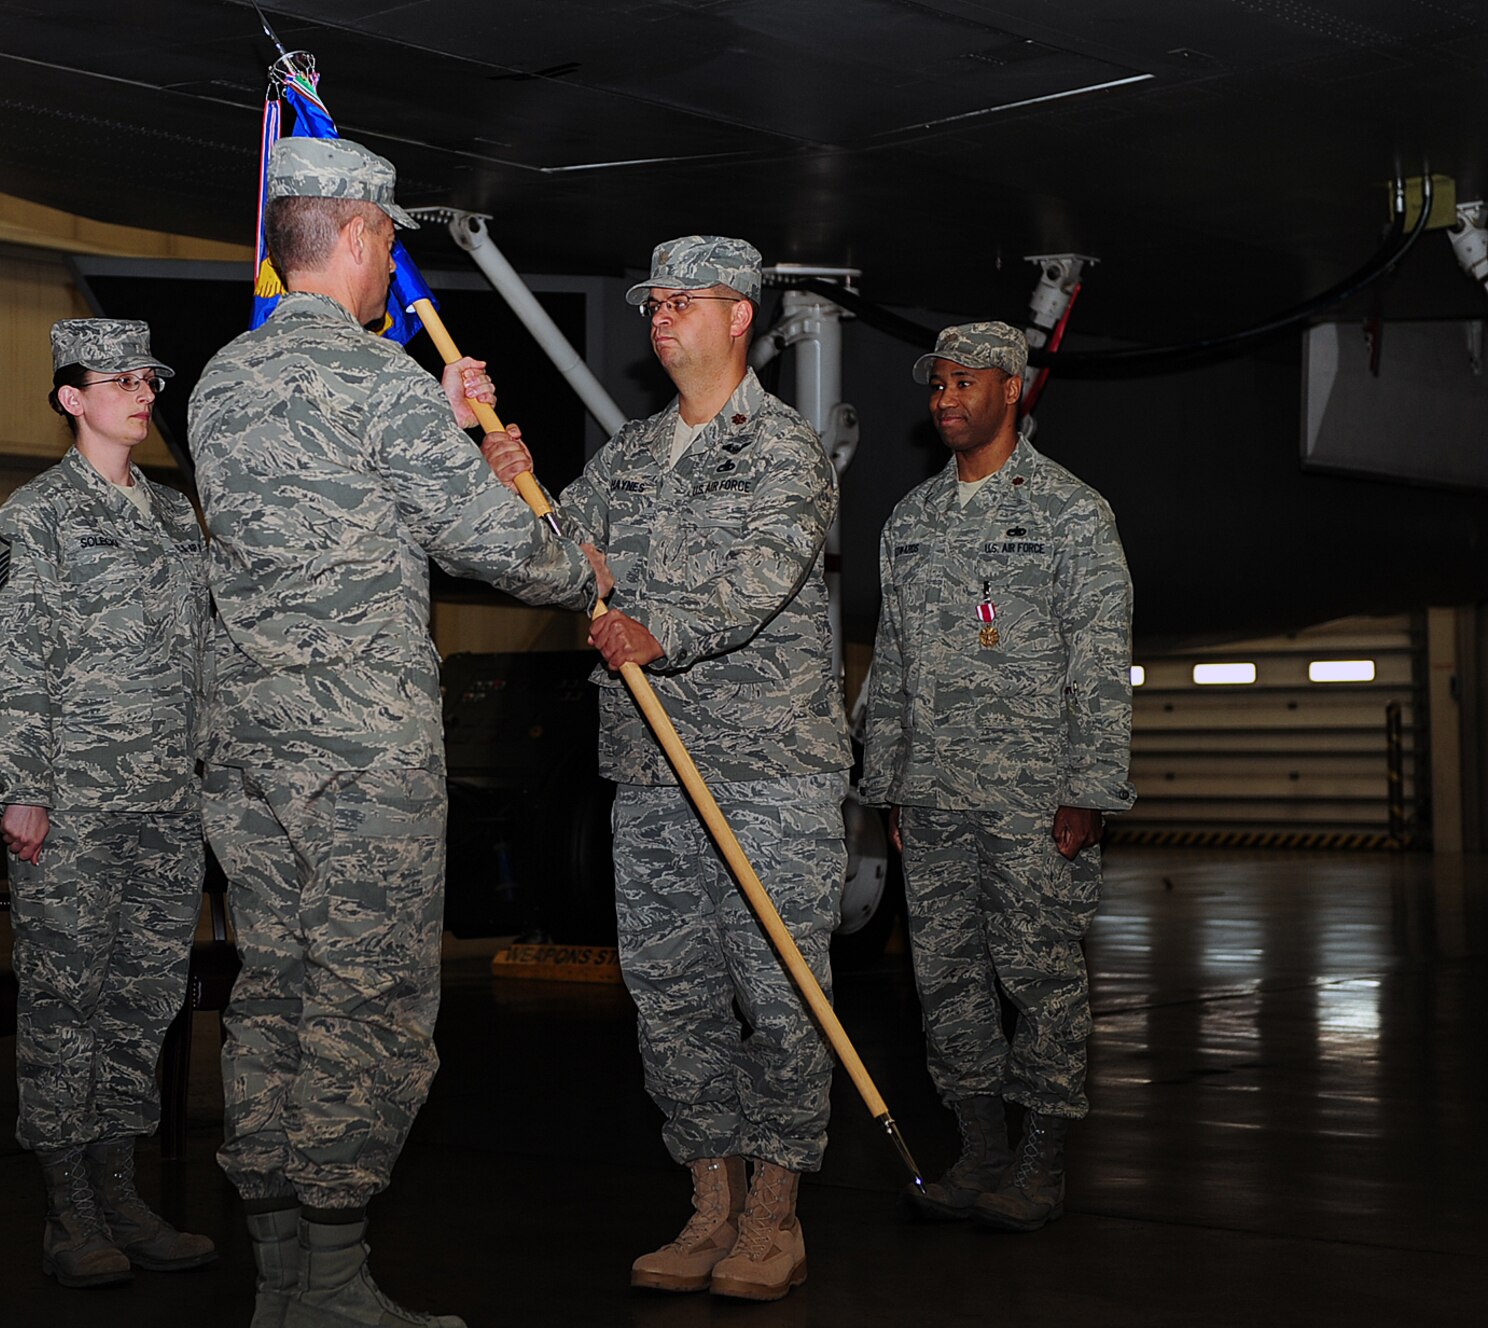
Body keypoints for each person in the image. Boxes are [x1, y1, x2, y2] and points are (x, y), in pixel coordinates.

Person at [187, 135, 596, 1328]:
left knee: (274, 991)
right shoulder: (375, 380)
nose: (388, 267)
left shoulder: (219, 381)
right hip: (361, 752)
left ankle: (278, 1280)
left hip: (250, 747)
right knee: (364, 1000)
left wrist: (440, 421)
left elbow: (335, 494)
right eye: (387, 243)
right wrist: (581, 566)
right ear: (362, 236)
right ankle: (331, 1283)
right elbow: (491, 542)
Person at [483, 235, 849, 1303]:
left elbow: (765, 573)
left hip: (767, 768)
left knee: (779, 993)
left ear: (739, 315)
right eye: (653, 301)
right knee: (672, 996)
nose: (659, 315)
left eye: (684, 300)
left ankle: (774, 1214)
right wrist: (510, 492)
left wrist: (662, 631)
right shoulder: (632, 454)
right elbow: (563, 561)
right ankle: (710, 1204)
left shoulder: (785, 450)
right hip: (650, 770)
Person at [860, 320, 1135, 1232]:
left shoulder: (1070, 512)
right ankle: (979, 1151)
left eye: (964, 382)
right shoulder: (912, 519)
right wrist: (889, 781)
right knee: (945, 981)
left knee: (1041, 977)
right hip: (932, 794)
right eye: (937, 383)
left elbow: (1100, 657)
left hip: (1032, 797)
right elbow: (892, 662)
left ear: (1011, 390)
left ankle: (1042, 1163)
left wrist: (1089, 787)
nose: (945, 398)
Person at [0, 318, 217, 1288]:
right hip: (73, 805)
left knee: (142, 1003)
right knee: (63, 1002)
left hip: (167, 804)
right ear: (71, 397)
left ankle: (119, 1192)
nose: (142, 392)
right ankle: (67, 1209)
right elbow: (11, 663)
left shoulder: (175, 517)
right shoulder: (32, 517)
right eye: (121, 379)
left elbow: (204, 657)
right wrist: (19, 790)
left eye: (148, 378)